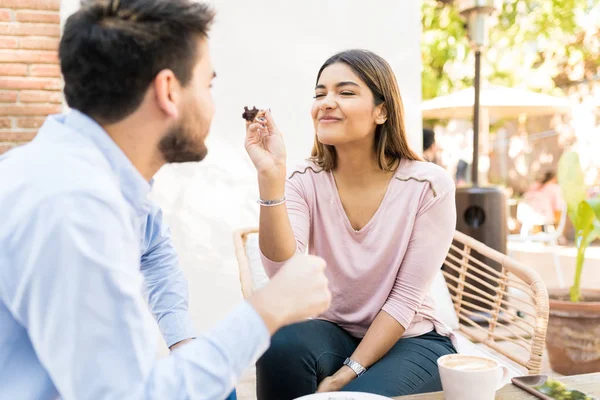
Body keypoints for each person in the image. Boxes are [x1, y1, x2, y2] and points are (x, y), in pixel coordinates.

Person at [0, 1, 331, 399]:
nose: (212, 102)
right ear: (168, 90)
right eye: (207, 84)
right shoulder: (75, 207)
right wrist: (268, 309)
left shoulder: (83, 172)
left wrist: (184, 340)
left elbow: (154, 248)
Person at [245, 49, 457, 399]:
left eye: (345, 92)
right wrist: (270, 178)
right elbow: (285, 273)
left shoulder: (429, 186)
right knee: (278, 348)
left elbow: (404, 299)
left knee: (353, 397)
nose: (327, 102)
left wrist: (347, 374)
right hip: (333, 329)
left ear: (381, 111)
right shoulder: (302, 179)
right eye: (319, 93)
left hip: (411, 339)